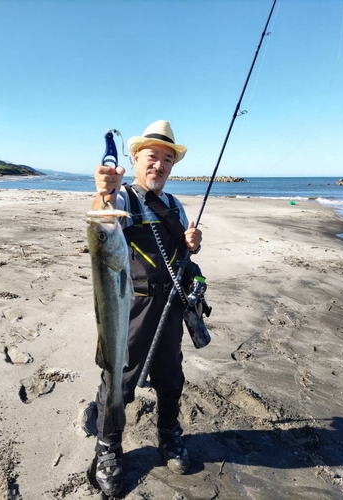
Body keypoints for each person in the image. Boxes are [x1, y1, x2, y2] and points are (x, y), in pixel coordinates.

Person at [92, 120, 202, 496]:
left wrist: (192, 243)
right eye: (152, 157)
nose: (159, 165)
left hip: (170, 306)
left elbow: (184, 255)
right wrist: (103, 191)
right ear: (136, 158)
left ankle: (169, 435)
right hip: (131, 304)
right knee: (119, 380)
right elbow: (102, 214)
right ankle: (108, 448)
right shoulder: (124, 196)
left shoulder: (175, 205)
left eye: (167, 159)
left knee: (171, 378)